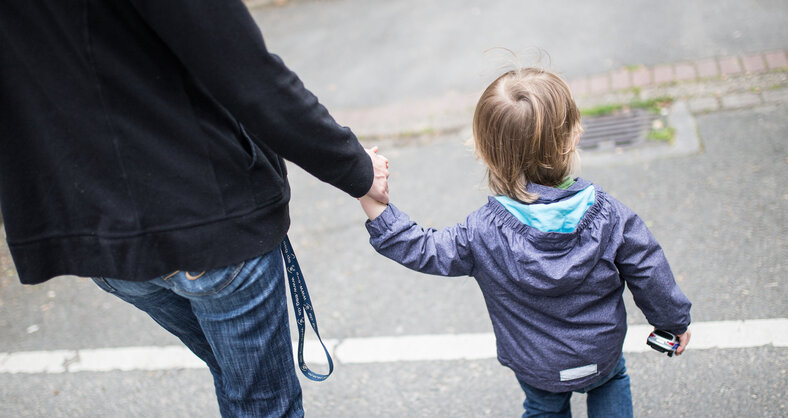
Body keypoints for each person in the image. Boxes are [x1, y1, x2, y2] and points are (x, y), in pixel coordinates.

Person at [0, 1, 388, 417]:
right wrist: (356, 168)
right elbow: (248, 74)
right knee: (259, 403)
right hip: (207, 218)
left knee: (235, 379)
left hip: (98, 234)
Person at [359, 68, 692, 417]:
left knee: (543, 408)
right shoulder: (611, 217)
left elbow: (422, 248)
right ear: (573, 138)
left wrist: (367, 190)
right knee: (611, 383)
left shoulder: (480, 233)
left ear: (486, 153)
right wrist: (673, 323)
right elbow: (649, 270)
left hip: (536, 364)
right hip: (600, 354)